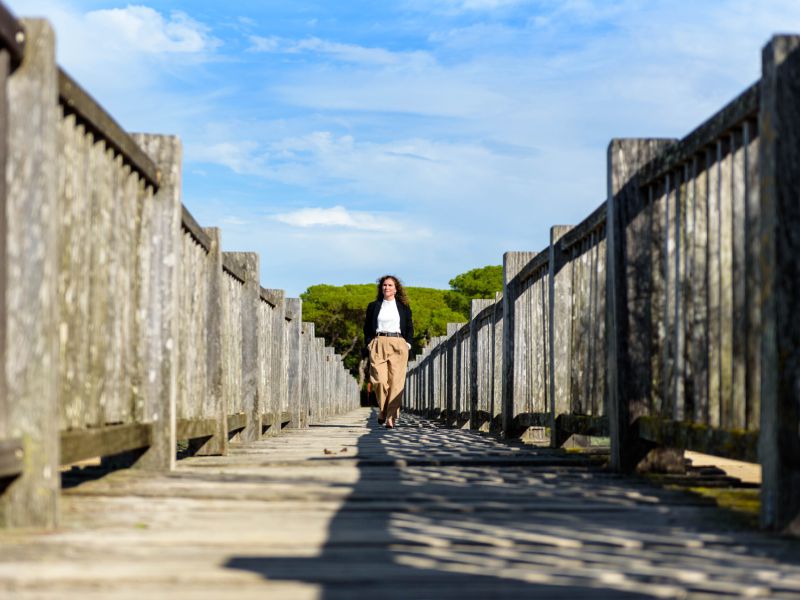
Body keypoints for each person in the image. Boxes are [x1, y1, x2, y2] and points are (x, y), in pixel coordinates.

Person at [363, 275, 414, 429]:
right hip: (378, 342)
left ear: (396, 289)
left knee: (396, 383)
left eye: (390, 285)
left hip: (398, 343)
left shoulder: (404, 308)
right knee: (378, 380)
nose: (387, 287)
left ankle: (391, 417)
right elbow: (367, 327)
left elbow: (409, 327)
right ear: (381, 288)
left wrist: (408, 344)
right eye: (384, 285)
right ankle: (383, 409)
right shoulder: (374, 306)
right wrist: (369, 343)